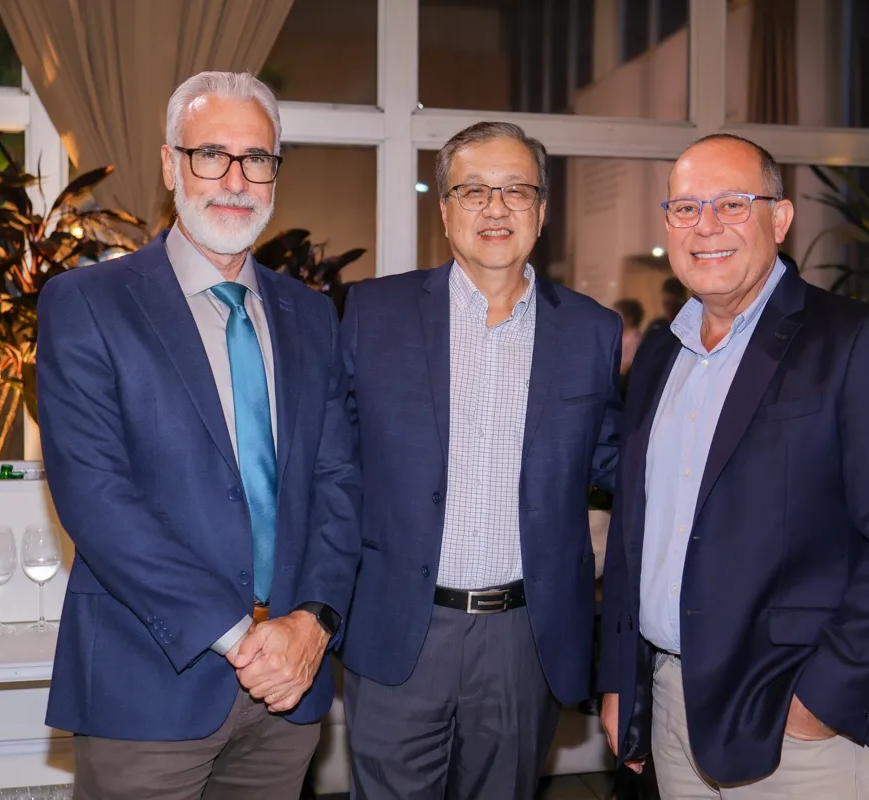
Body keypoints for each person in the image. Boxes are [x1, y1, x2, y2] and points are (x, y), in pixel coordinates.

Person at [36, 70, 360, 800]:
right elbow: (95, 497)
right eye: (211, 154)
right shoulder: (86, 305)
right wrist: (243, 639)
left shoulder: (311, 316)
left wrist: (313, 622)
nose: (235, 180)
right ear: (169, 164)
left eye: (257, 159)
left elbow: (339, 485)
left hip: (289, 692)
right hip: (148, 685)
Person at [598, 133, 869, 798]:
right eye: (686, 209)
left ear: (780, 219)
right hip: (672, 703)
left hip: (795, 718)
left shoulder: (858, 341)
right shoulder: (657, 358)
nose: (707, 228)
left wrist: (820, 703)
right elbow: (631, 535)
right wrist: (623, 682)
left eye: (733, 204)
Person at [337, 120, 623, 799]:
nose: (496, 208)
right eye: (473, 191)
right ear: (444, 209)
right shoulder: (372, 314)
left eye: (516, 191)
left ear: (542, 211)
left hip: (526, 640)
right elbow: (332, 467)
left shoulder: (592, 330)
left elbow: (619, 465)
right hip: (399, 628)